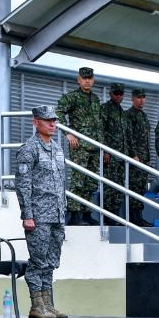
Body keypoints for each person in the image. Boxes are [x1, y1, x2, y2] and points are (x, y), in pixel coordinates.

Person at [14, 105, 70, 318]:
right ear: (36, 122)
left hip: (56, 214)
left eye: (54, 120)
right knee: (38, 261)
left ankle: (48, 303)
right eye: (48, 121)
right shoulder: (29, 148)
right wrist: (27, 215)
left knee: (51, 260)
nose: (52, 124)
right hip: (38, 216)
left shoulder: (57, 148)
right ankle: (37, 304)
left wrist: (62, 211)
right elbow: (24, 184)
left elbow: (61, 183)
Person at [55, 67, 102, 226]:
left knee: (91, 181)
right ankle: (74, 214)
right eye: (84, 78)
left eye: (89, 78)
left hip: (95, 146)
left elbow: (98, 123)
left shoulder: (95, 99)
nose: (87, 81)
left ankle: (86, 213)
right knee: (78, 180)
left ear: (93, 79)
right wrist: (68, 134)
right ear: (79, 79)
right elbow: (58, 114)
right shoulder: (71, 97)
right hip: (80, 146)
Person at [99, 82, 130, 223]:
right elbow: (101, 130)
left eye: (121, 93)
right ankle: (107, 216)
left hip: (121, 155)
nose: (118, 96)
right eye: (116, 93)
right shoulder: (105, 109)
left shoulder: (122, 113)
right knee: (109, 186)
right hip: (110, 154)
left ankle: (115, 215)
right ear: (111, 93)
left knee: (119, 186)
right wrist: (105, 150)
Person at [123, 87, 152, 226]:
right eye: (139, 97)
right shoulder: (128, 115)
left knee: (141, 187)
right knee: (134, 187)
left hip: (144, 158)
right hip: (135, 158)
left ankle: (139, 215)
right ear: (133, 99)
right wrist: (133, 154)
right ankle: (133, 217)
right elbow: (128, 137)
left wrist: (147, 157)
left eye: (143, 97)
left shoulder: (144, 116)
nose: (142, 100)